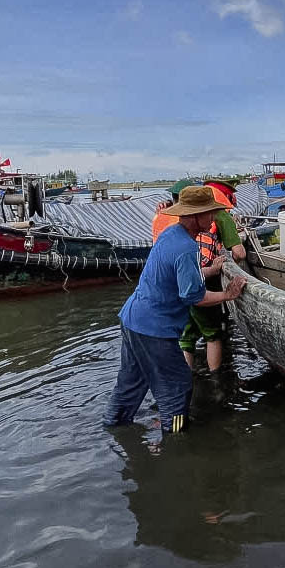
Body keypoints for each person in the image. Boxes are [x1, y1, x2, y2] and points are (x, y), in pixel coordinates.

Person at [104, 186, 245, 433]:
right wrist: (227, 294)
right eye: (209, 213)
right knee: (178, 385)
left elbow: (178, 276)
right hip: (154, 329)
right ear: (193, 216)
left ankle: (113, 426)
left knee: (131, 383)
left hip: (132, 319)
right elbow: (194, 296)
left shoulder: (171, 235)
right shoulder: (187, 248)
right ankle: (175, 437)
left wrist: (210, 270)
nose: (213, 218)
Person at [152, 180, 249, 374]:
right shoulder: (218, 221)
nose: (213, 214)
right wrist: (226, 290)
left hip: (172, 291)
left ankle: (188, 379)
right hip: (203, 284)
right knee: (213, 334)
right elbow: (239, 253)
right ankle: (215, 379)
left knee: (186, 337)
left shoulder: (164, 222)